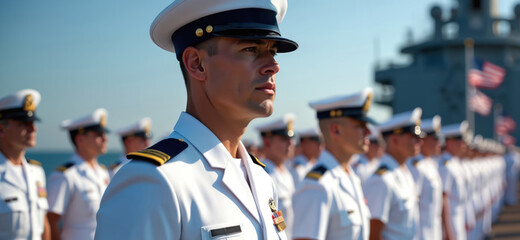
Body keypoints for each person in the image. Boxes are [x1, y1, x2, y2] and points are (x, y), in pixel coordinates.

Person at [94, 0, 298, 238]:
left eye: (272, 51)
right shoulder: (154, 181)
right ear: (197, 64)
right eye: (251, 49)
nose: (273, 66)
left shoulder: (260, 179)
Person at [292, 88, 373, 240]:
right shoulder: (317, 186)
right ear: (336, 130)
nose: (369, 132)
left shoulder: (350, 176)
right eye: (360, 126)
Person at [48, 108, 110, 240]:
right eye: (98, 135)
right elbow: (51, 221)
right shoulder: (66, 175)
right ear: (80, 139)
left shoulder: (103, 172)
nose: (105, 139)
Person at [364, 108, 422, 240]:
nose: (420, 142)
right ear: (395, 140)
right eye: (414, 138)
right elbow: (373, 234)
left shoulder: (404, 172)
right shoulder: (382, 180)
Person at [0, 89, 50, 240]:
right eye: (24, 123)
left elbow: (44, 224)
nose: (33, 128)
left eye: (33, 122)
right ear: (1, 129)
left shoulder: (36, 171)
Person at [255, 114, 296, 238]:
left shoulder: (286, 173)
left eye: (291, 139)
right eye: (284, 139)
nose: (290, 143)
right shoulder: (261, 174)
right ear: (267, 142)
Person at [406, 115, 443, 240]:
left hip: (434, 231)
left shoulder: (430, 163)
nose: (439, 143)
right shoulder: (415, 167)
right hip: (421, 234)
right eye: (435, 139)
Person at [438, 121, 470, 240]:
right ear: (449, 142)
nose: (463, 144)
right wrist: (447, 229)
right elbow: (443, 197)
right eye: (459, 140)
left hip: (459, 216)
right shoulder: (444, 165)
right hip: (451, 218)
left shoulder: (454, 162)